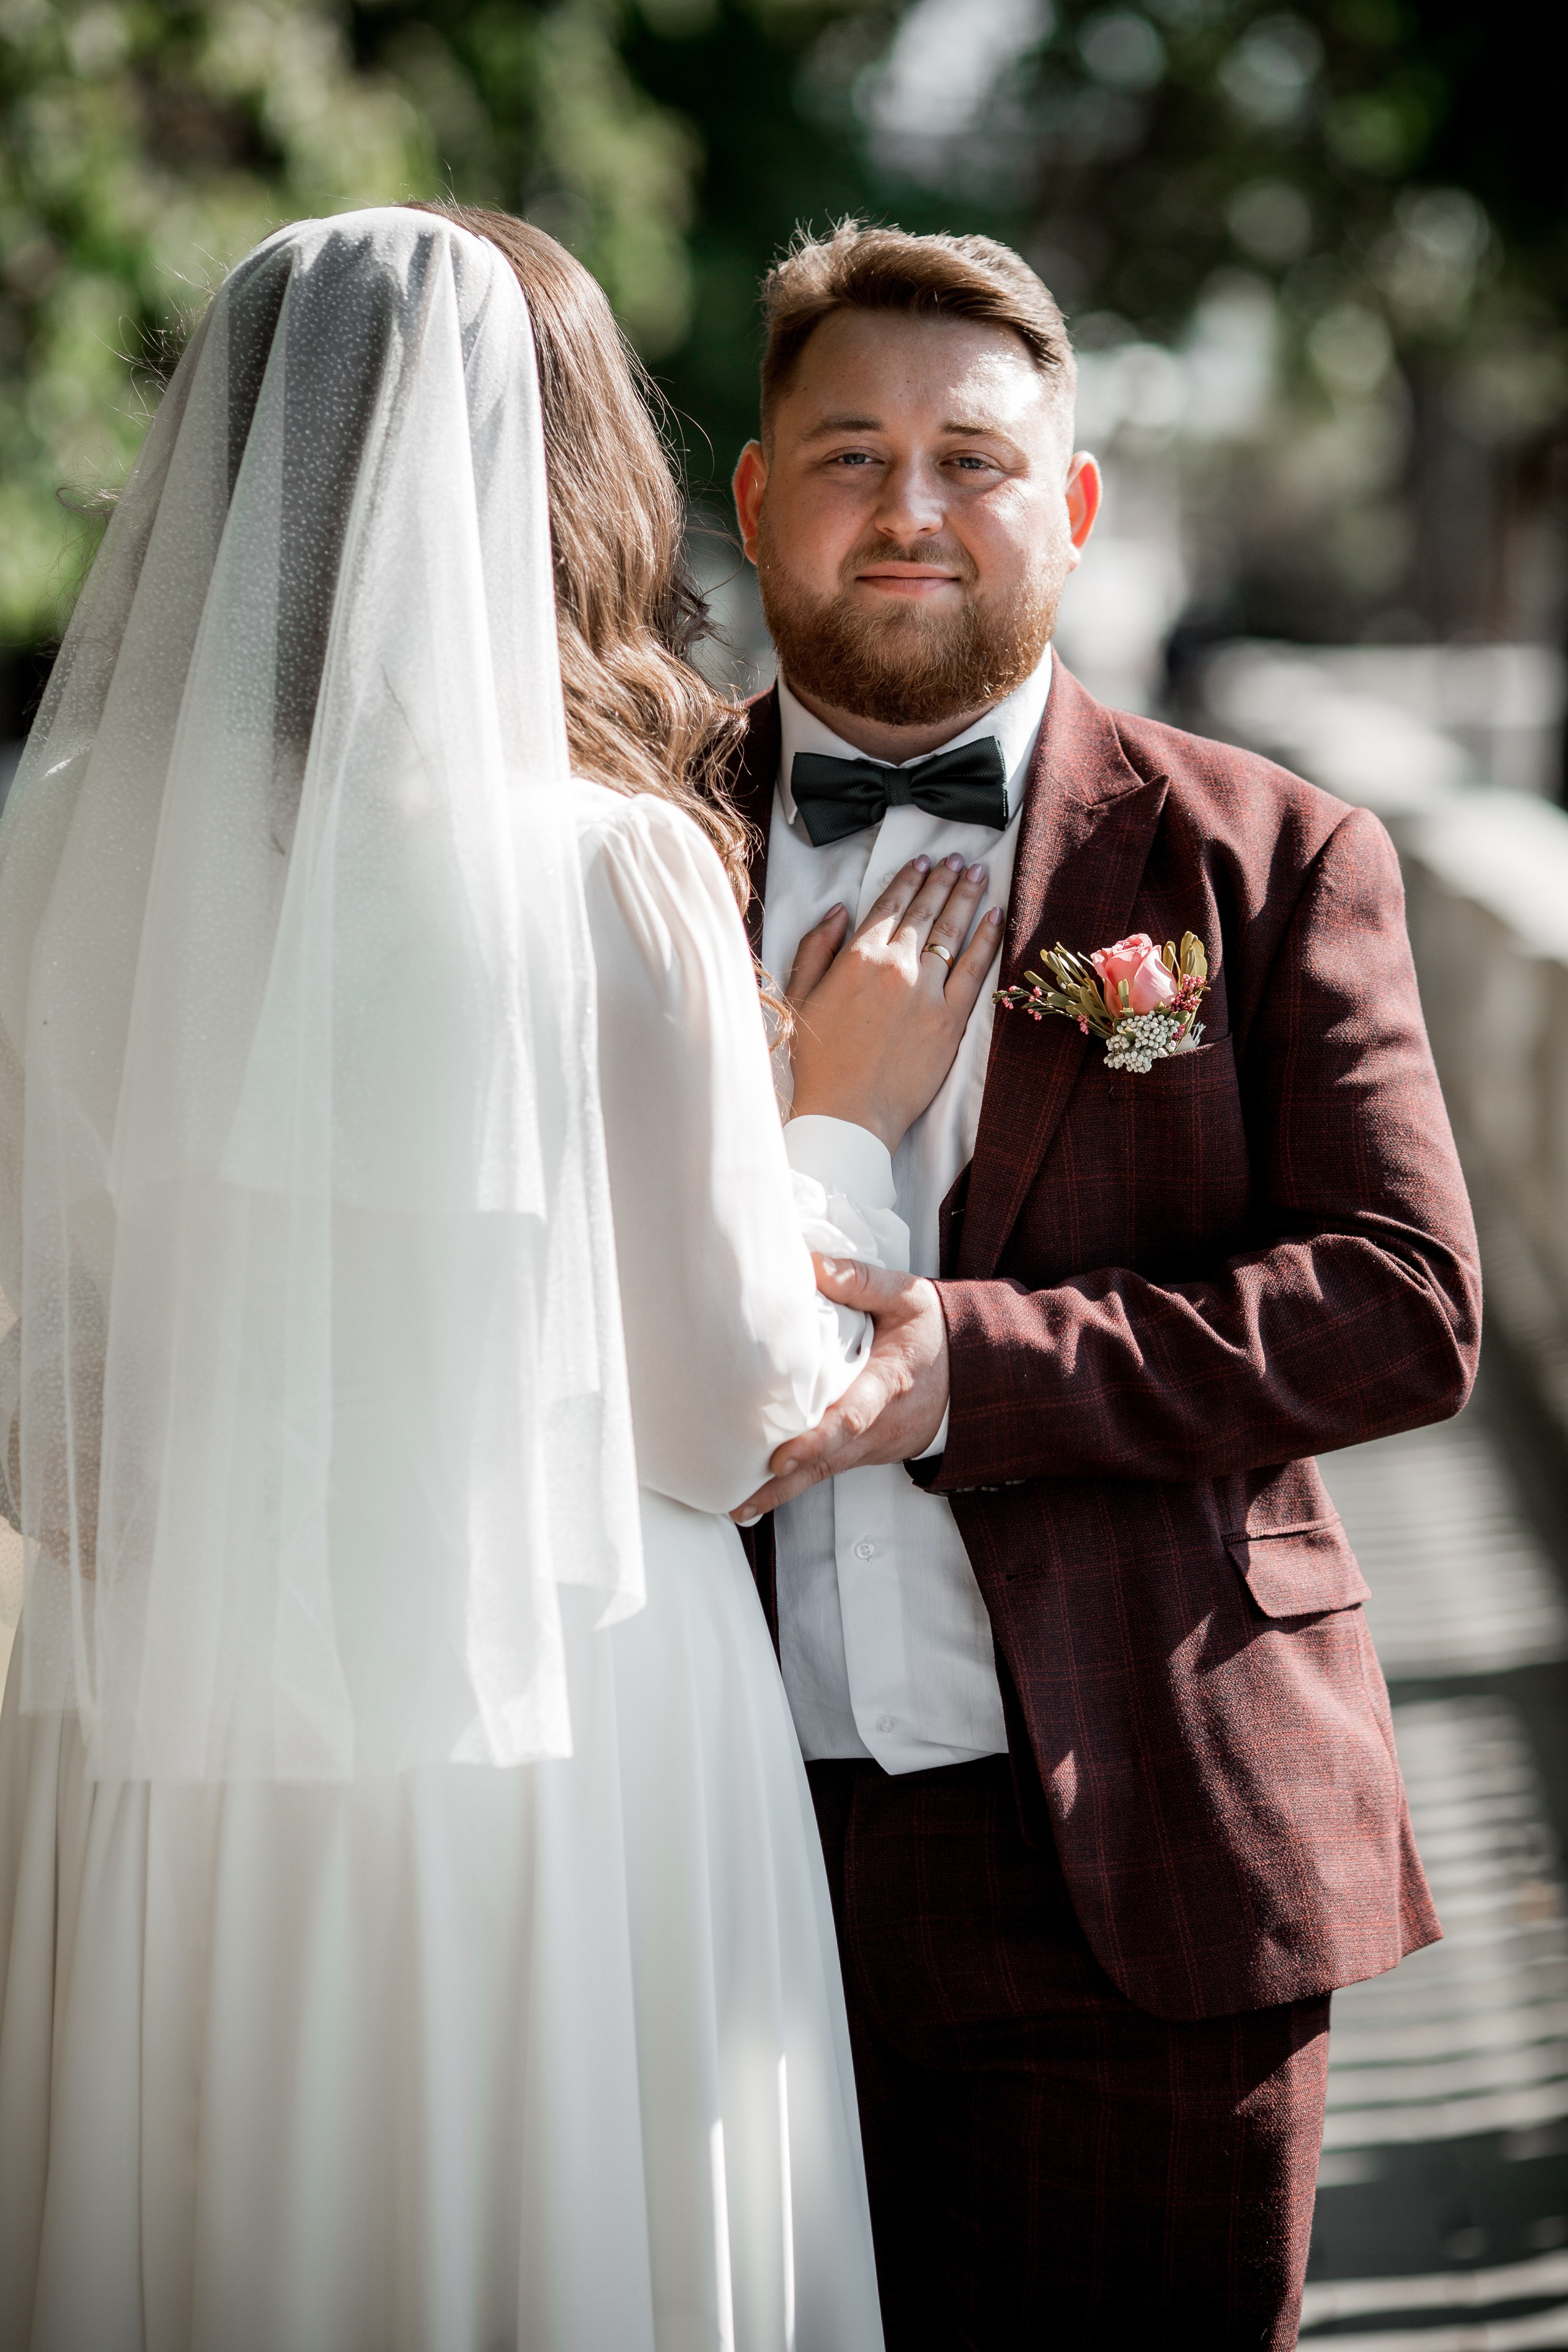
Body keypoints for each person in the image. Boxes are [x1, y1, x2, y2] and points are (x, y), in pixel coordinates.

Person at [0, 205, 995, 2351]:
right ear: (558, 473)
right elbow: (735, 1415)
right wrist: (828, 1111)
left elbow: (39, 1378)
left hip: (160, 1710)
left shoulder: (67, 828)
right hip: (552, 1716)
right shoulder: (608, 864)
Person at [723, 222, 1482, 2350]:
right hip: (699, 1850)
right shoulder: (629, 854)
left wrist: (969, 1373)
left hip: (1149, 1848)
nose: (910, 508)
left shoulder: (1267, 853)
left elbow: (1405, 1298)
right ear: (761, 499)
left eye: (971, 458)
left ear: (1066, 504)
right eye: (851, 454)